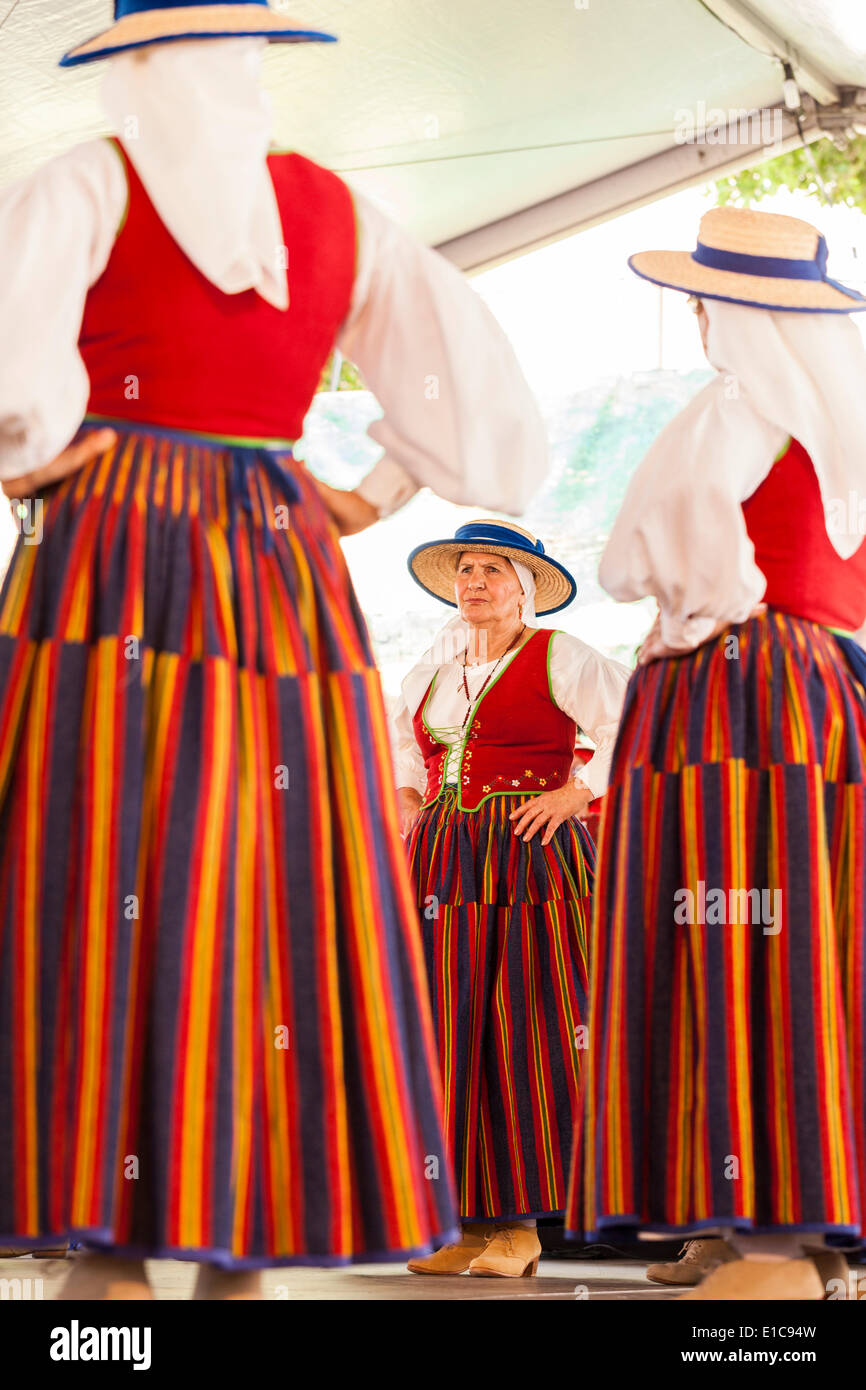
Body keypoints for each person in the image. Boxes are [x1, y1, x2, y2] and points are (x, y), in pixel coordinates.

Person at [0, 2, 549, 1299]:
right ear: (256, 67)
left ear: (130, 64)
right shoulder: (329, 212)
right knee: (282, 867)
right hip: (274, 554)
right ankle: (249, 1226)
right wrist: (364, 493)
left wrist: (40, 449)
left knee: (107, 858)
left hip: (116, 550)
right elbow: (475, 398)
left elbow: (15, 360)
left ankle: (110, 1237)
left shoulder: (87, 179)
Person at [567, 205, 866, 1300]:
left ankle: (765, 1237)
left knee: (712, 938)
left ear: (732, 313)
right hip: (822, 696)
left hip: (728, 692)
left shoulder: (734, 407)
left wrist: (687, 639)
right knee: (799, 947)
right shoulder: (842, 424)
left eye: (702, 301)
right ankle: (789, 1216)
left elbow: (641, 557)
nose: (695, 318)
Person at [391, 520, 629, 1277]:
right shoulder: (433, 668)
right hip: (443, 859)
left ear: (524, 588)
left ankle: (524, 1226)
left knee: (528, 1028)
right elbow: (404, 745)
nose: (475, 582)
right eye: (465, 569)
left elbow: (633, 722)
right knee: (449, 1030)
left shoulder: (562, 655)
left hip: (531, 857)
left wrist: (576, 792)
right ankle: (462, 1223)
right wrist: (405, 798)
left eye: (492, 569)